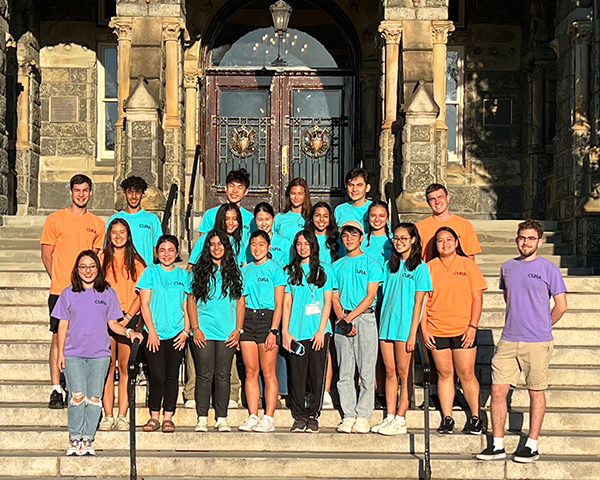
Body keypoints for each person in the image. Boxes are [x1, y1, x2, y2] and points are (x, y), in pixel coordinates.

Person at [477, 220, 567, 463]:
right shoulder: (507, 267)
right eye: (521, 238)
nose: (525, 242)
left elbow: (561, 306)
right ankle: (497, 444)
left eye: (530, 238)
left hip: (537, 341)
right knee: (497, 390)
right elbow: (509, 298)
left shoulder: (549, 268)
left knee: (536, 391)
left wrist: (542, 325)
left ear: (539, 241)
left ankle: (532, 444)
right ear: (516, 239)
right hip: (508, 339)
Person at [54, 250, 143, 456]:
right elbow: (62, 325)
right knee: (77, 396)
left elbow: (113, 324)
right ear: (77, 269)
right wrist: (60, 354)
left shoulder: (108, 293)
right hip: (73, 353)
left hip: (100, 355)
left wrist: (129, 332)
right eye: (83, 267)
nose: (88, 271)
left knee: (94, 397)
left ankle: (88, 439)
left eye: (92, 266)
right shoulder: (68, 293)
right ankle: (75, 438)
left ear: (98, 269)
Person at [40, 174, 105, 409]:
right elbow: (47, 255)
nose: (81, 194)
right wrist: (58, 279)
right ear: (70, 192)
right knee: (59, 336)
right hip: (61, 290)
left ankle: (77, 384)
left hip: (86, 291)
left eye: (85, 190)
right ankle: (56, 387)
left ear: (90, 192)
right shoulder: (55, 219)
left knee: (80, 335)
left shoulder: (97, 224)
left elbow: (95, 259)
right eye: (77, 190)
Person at [422, 227, 487, 434]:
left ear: (457, 242)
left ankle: (476, 416)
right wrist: (423, 329)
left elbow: (477, 299)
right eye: (440, 240)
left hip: (463, 328)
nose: (445, 244)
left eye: (449, 240)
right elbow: (421, 301)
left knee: (466, 373)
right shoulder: (429, 267)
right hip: (436, 328)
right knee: (444, 373)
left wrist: (473, 326)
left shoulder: (468, 265)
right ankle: (447, 417)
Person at [372, 223, 432, 436]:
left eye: (403, 238)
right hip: (387, 323)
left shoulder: (420, 268)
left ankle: (401, 417)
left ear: (413, 240)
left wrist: (412, 333)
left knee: (403, 372)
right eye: (396, 238)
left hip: (405, 326)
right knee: (389, 371)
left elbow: (419, 303)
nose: (399, 242)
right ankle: (389, 415)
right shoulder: (389, 265)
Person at [188, 229, 244, 433]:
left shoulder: (235, 271)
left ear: (226, 247)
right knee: (204, 375)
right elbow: (191, 301)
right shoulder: (198, 271)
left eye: (220, 244)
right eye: (212, 244)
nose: (216, 247)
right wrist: (195, 328)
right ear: (207, 247)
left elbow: (240, 302)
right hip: (204, 330)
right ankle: (202, 417)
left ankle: (222, 417)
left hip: (227, 332)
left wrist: (238, 329)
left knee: (223, 375)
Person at [333, 220, 383, 434]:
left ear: (361, 237)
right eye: (345, 235)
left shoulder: (372, 263)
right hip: (342, 319)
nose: (349, 238)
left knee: (366, 369)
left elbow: (371, 295)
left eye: (354, 235)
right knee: (345, 370)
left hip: (364, 318)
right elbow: (334, 296)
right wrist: (343, 319)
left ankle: (363, 414)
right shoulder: (337, 265)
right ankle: (348, 413)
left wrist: (350, 318)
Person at [282, 230, 334, 433]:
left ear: (313, 246)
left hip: (318, 331)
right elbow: (287, 303)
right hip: (297, 330)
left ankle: (313, 414)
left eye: (306, 243)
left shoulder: (324, 270)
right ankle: (299, 414)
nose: (302, 247)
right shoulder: (289, 272)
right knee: (297, 374)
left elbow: (328, 301)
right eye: (299, 244)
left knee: (317, 373)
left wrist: (322, 330)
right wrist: (285, 331)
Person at [138, 235, 190, 433]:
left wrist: (186, 331)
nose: (166, 254)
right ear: (156, 253)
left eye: (170, 250)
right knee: (157, 375)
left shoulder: (183, 276)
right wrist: (151, 331)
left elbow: (187, 305)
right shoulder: (150, 272)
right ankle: (154, 416)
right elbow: (144, 304)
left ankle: (168, 416)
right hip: (155, 333)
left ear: (177, 253)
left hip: (177, 333)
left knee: (171, 375)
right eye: (162, 250)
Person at [98, 218, 146, 431]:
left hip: (128, 318)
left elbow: (142, 293)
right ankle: (107, 414)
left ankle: (123, 414)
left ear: (128, 235)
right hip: (104, 319)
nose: (118, 236)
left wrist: (128, 316)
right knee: (108, 367)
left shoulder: (136, 262)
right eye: (114, 232)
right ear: (109, 235)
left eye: (122, 232)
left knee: (125, 367)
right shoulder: (100, 259)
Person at [238, 231, 286, 433]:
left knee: (268, 371)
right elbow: (240, 299)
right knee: (251, 371)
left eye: (261, 244)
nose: (257, 248)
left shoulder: (276, 270)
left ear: (268, 246)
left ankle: (269, 416)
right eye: (253, 244)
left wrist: (273, 330)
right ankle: (253, 414)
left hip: (267, 319)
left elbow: (279, 303)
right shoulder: (245, 270)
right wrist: (239, 326)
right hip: (248, 317)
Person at [416, 184, 481, 263]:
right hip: (430, 272)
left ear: (448, 198)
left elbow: (470, 258)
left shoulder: (465, 225)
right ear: (428, 202)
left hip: (458, 273)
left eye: (440, 197)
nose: (437, 201)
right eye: (432, 199)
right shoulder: (420, 227)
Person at [107, 176, 163, 266]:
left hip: (145, 273)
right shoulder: (114, 219)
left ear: (143, 194)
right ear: (124, 193)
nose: (133, 196)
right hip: (121, 272)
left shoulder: (152, 219)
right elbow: (108, 247)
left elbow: (157, 250)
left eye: (138, 192)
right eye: (130, 192)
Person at [198, 168, 253, 239]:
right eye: (232, 186)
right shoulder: (210, 214)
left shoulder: (250, 219)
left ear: (246, 191)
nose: (235, 191)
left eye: (240, 187)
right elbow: (202, 242)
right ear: (226, 188)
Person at [188, 203, 248, 268]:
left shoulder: (239, 243)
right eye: (226, 219)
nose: (231, 223)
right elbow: (190, 267)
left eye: (235, 219)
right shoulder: (205, 239)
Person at [254, 202, 292, 267]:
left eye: (267, 219)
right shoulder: (248, 243)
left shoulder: (284, 243)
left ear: (273, 219)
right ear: (255, 220)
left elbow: (290, 267)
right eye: (260, 219)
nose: (264, 224)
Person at [334, 168, 372, 232]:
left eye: (359, 185)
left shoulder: (374, 208)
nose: (354, 189)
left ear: (367, 188)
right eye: (351, 185)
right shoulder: (340, 210)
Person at [361, 200, 393, 266]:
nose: (377, 219)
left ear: (387, 216)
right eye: (373, 215)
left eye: (381, 216)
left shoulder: (395, 239)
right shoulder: (361, 240)